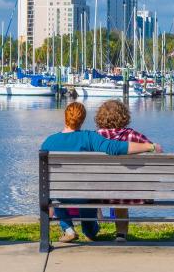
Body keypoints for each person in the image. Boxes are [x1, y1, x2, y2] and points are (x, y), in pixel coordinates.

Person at [41, 101, 160, 243]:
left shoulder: (49, 141)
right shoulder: (89, 137)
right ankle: (90, 232)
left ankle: (68, 229)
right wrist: (150, 147)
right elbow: (114, 148)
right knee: (87, 199)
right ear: (83, 119)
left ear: (65, 118)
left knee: (56, 193)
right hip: (86, 194)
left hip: (59, 193)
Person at [94, 99, 157, 242]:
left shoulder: (94, 137)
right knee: (120, 192)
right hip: (131, 191)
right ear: (124, 116)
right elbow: (155, 152)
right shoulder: (133, 136)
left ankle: (94, 227)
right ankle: (121, 234)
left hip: (99, 191)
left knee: (113, 189)